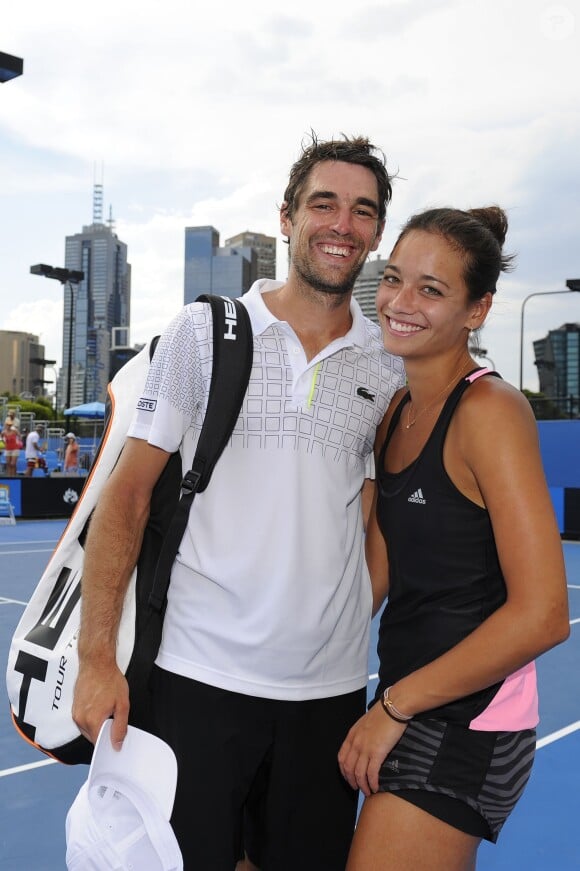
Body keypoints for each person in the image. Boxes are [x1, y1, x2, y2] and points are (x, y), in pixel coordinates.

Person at [72, 132, 406, 870]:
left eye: (362, 211)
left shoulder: (389, 367)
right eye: (323, 204)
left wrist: (343, 616)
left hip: (329, 695)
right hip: (198, 681)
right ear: (287, 218)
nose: (341, 225)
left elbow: (375, 519)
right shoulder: (204, 332)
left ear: (378, 231)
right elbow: (125, 497)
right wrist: (97, 656)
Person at [338, 206, 570, 870]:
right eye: (393, 278)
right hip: (408, 699)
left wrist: (394, 705)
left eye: (431, 290)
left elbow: (544, 614)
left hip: (471, 718)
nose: (399, 303)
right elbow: (375, 576)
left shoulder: (491, 411)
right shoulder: (393, 414)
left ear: (478, 309)